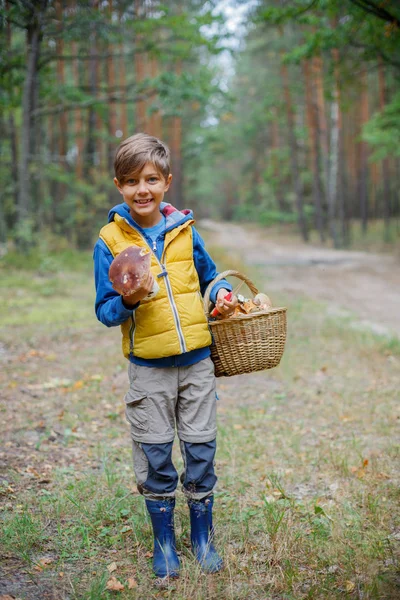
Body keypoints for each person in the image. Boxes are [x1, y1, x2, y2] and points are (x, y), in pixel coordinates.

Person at [93, 133, 237, 579]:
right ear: (119, 185)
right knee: (155, 455)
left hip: (196, 363)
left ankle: (202, 539)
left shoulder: (184, 231)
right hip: (149, 371)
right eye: (132, 180)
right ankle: (164, 544)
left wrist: (224, 294)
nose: (143, 189)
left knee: (200, 449)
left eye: (151, 179)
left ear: (167, 181)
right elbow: (104, 309)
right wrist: (130, 300)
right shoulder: (110, 241)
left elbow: (210, 278)